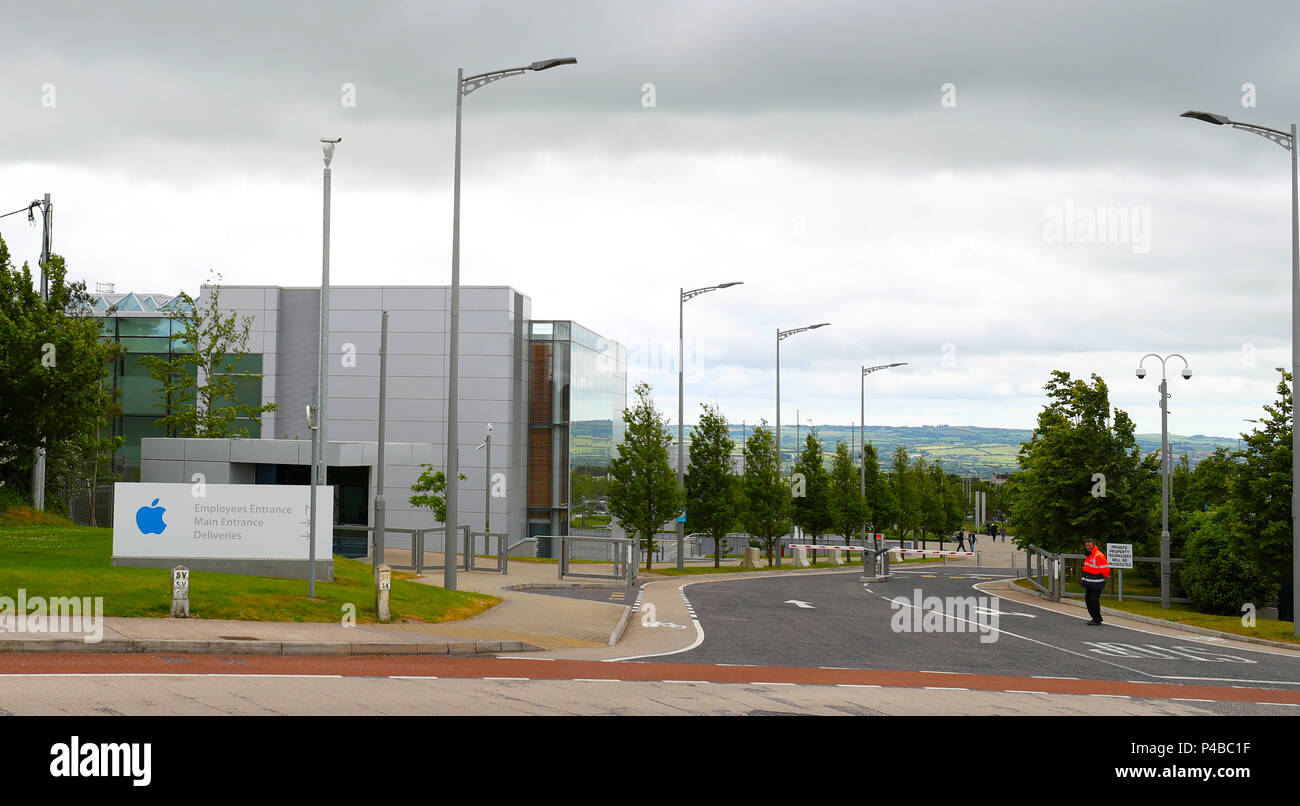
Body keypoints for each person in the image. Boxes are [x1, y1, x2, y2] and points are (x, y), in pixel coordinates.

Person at [1082, 538, 1111, 625]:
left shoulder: (1099, 556)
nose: (1088, 547)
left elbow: (1106, 571)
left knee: (1093, 601)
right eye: (1087, 545)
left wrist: (1098, 577)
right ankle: (1095, 618)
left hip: (1096, 583)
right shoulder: (1090, 555)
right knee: (1088, 600)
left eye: (1089, 545)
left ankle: (1097, 619)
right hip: (1089, 583)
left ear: (1094, 545)